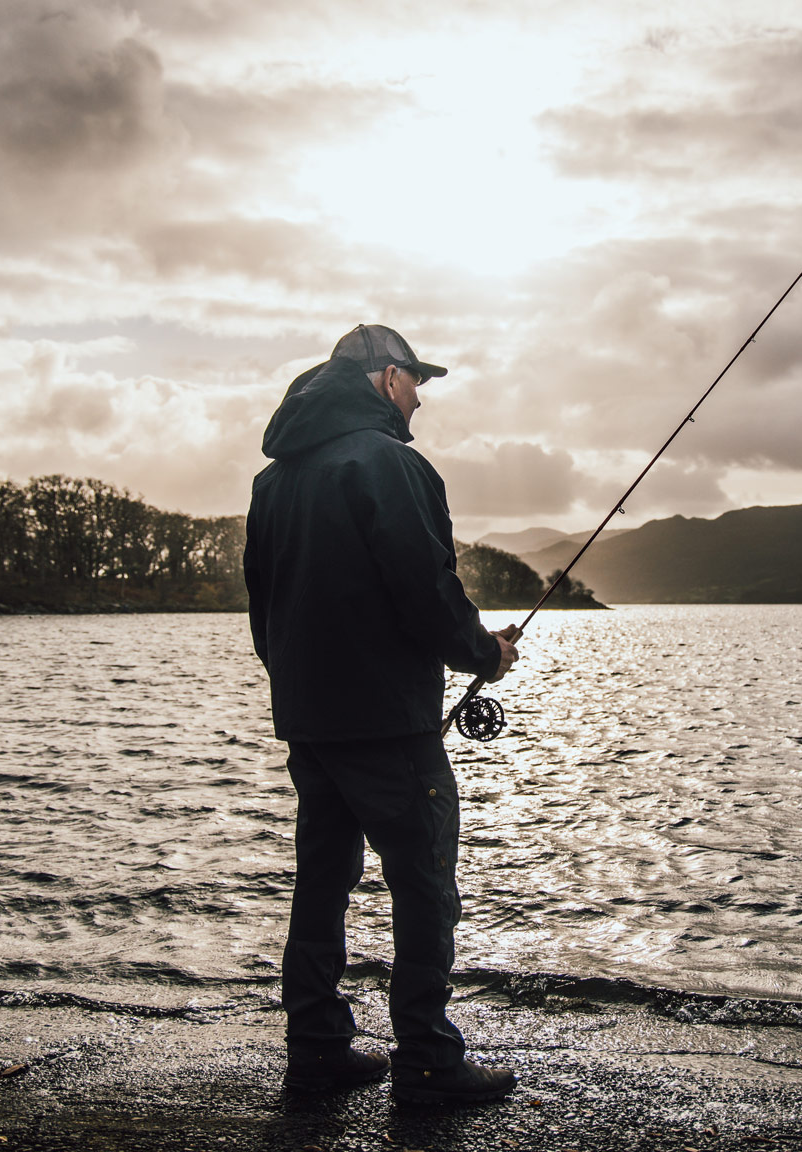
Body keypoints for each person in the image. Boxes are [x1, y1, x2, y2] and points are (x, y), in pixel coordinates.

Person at [244, 324, 520, 1104]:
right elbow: (425, 589)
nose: (420, 396)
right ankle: (429, 1062)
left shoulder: (275, 481)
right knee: (426, 884)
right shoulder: (390, 462)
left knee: (322, 883)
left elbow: (263, 605)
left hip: (309, 719)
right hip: (387, 726)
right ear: (382, 378)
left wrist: (301, 687)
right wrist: (483, 653)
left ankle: (318, 1052)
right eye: (413, 379)